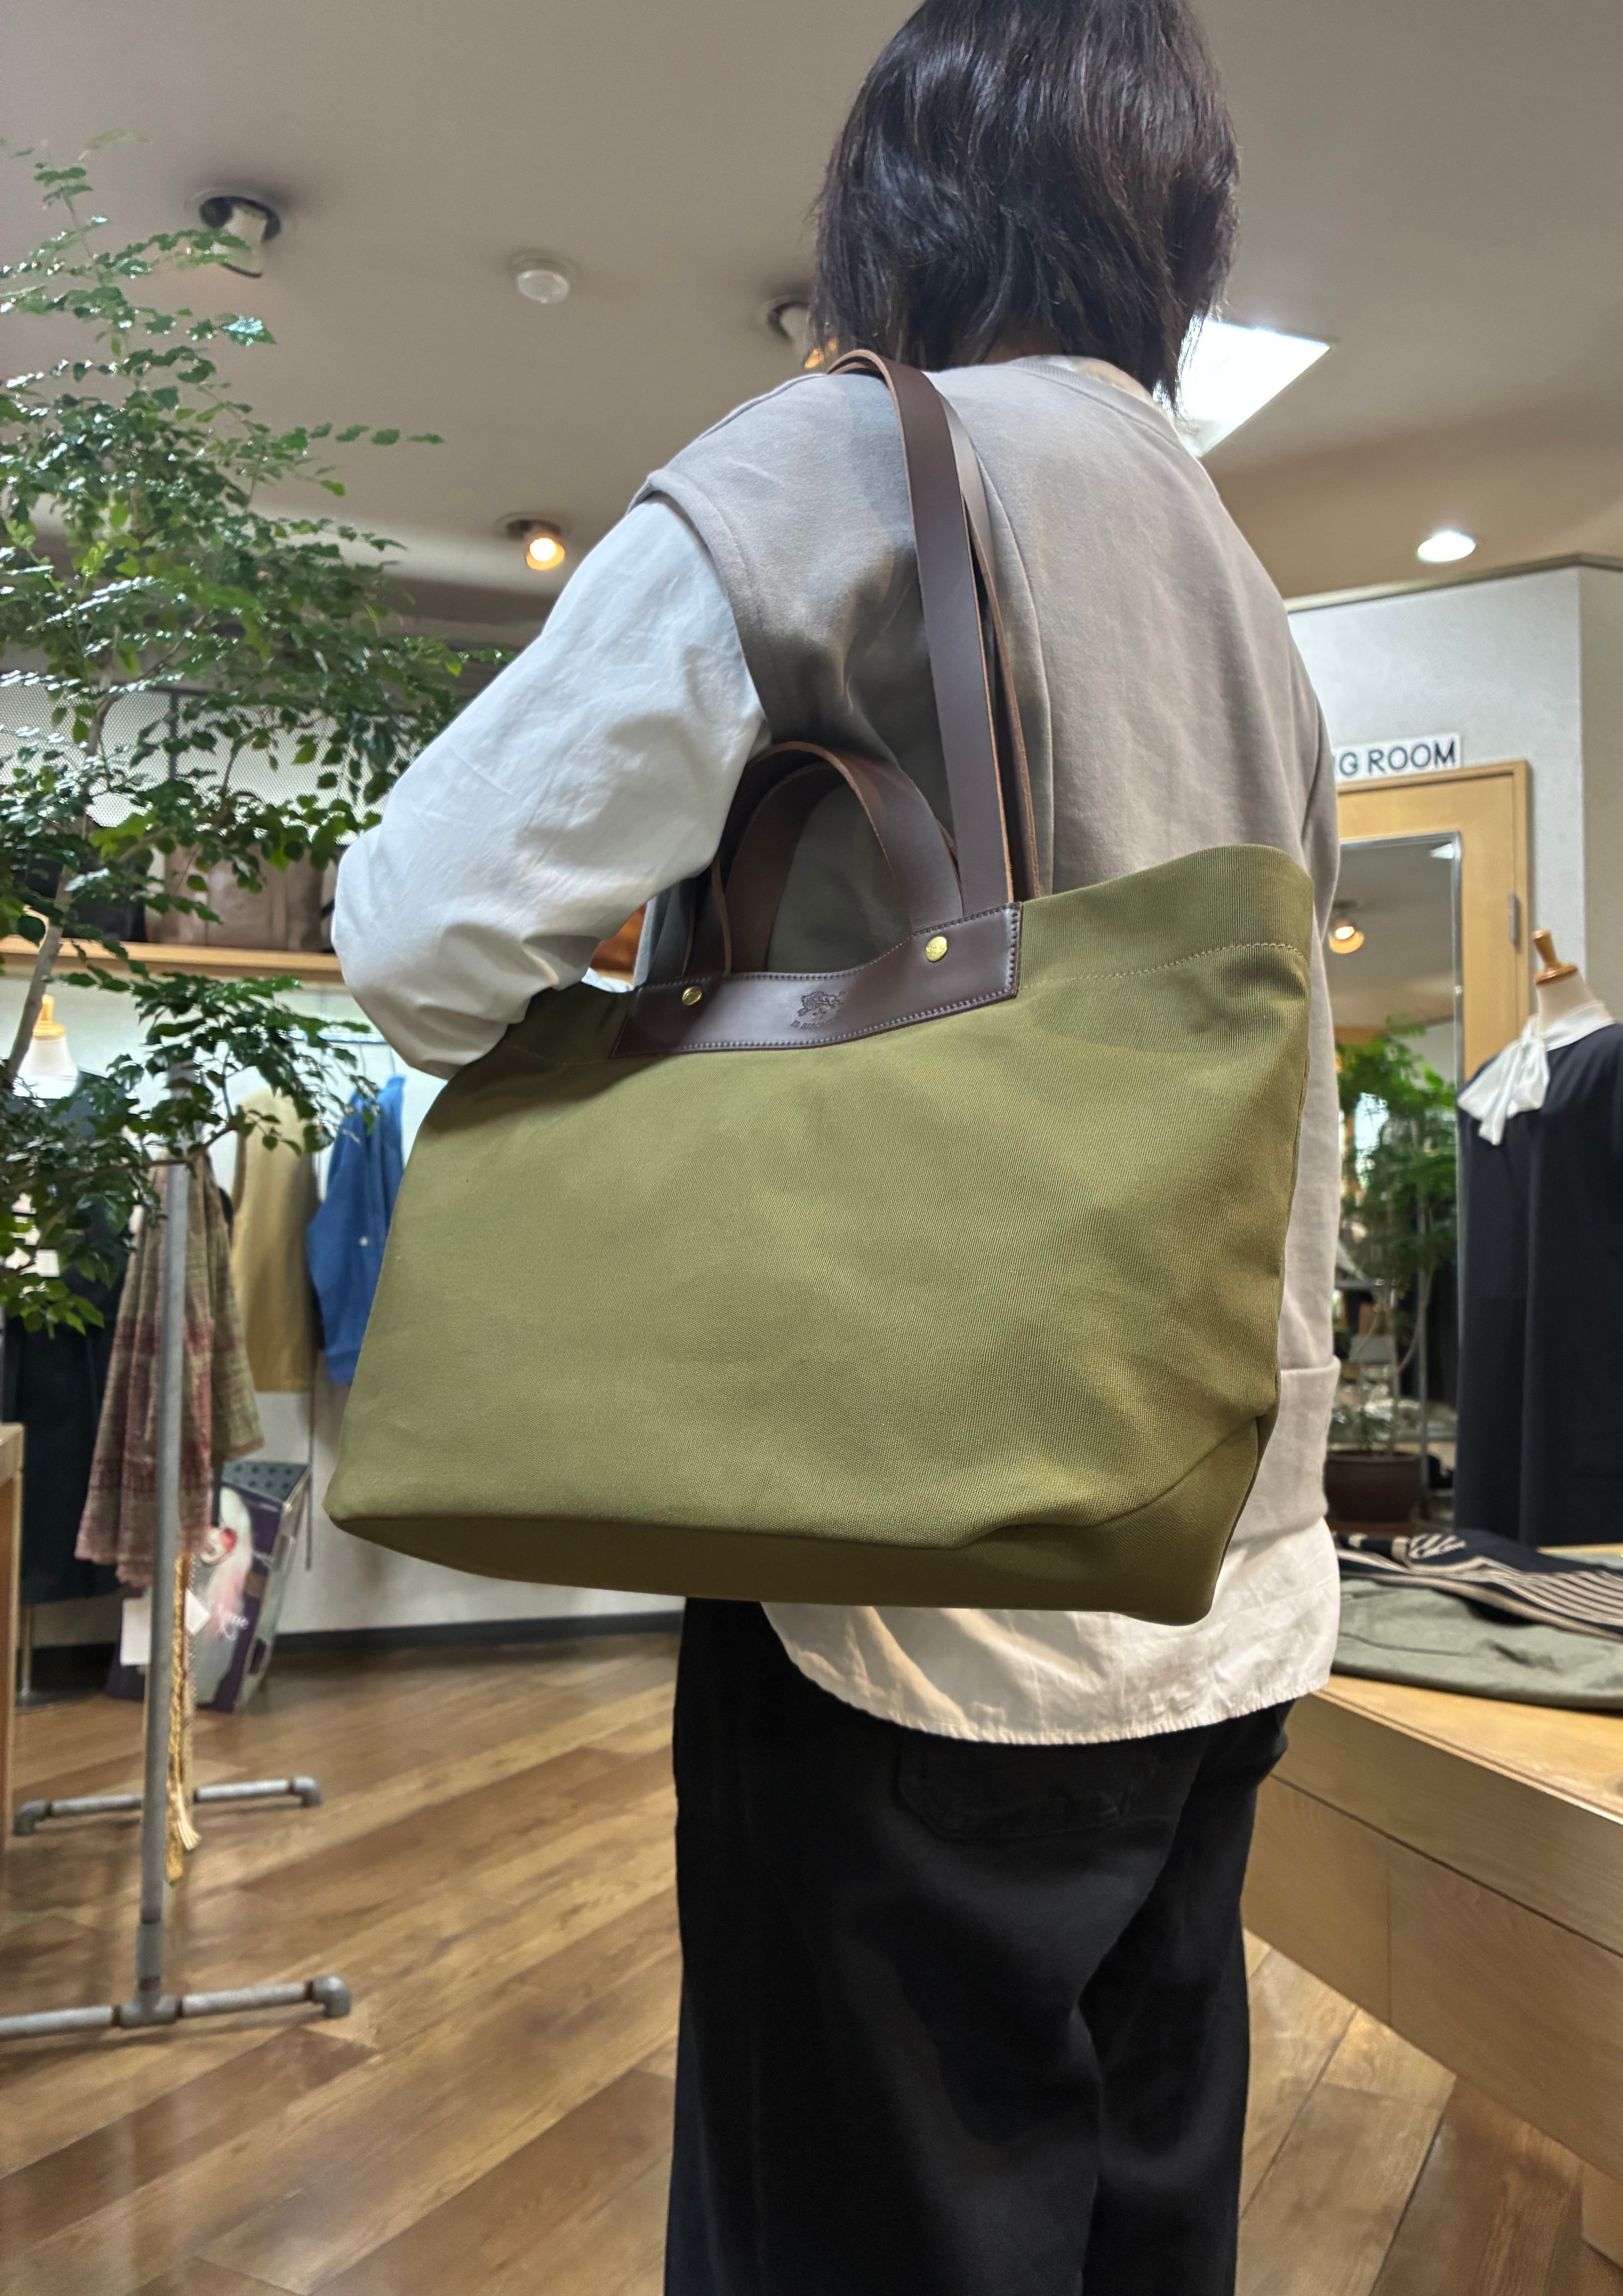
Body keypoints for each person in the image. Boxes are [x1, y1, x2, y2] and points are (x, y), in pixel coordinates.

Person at [335, 1, 1342, 2287]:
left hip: (912, 1597)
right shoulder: (1239, 576)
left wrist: (653, 1046)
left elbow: (415, 930)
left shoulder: (845, 465)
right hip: (1218, 1585)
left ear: (895, 204)